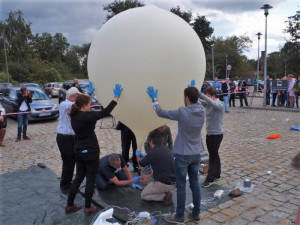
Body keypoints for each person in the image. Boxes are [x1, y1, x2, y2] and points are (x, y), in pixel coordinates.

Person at [146, 84, 205, 224]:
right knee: (195, 184)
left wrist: (154, 99)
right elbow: (201, 102)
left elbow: (161, 112)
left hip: (183, 154)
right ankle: (196, 214)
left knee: (181, 186)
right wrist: (197, 93)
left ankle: (179, 216)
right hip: (197, 152)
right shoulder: (202, 110)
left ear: (186, 98)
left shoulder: (183, 111)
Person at [65, 84, 123, 214]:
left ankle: (69, 204)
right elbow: (106, 112)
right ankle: (87, 207)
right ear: (85, 106)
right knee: (90, 179)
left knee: (79, 177)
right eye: (89, 104)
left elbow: (82, 103)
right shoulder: (87, 116)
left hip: (78, 150)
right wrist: (116, 98)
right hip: (90, 151)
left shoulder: (74, 114)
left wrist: (88, 95)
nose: (90, 106)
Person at [136, 131, 176, 206]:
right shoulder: (167, 149)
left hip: (163, 184)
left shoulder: (152, 153)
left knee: (144, 195)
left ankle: (164, 197)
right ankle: (165, 192)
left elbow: (141, 163)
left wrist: (138, 156)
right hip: (174, 182)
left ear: (151, 141)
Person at [56, 87, 81, 193]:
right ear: (73, 96)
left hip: (70, 137)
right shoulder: (65, 104)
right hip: (65, 137)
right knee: (68, 162)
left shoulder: (70, 105)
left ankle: (68, 182)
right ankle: (65, 185)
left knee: (71, 161)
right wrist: (88, 95)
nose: (79, 98)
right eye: (78, 96)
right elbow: (76, 105)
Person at [198, 87, 224, 187]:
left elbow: (212, 103)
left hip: (217, 135)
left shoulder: (219, 104)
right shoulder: (209, 104)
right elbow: (201, 101)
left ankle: (210, 179)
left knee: (212, 157)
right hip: (210, 134)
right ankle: (217, 175)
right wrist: (195, 95)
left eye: (208, 96)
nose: (206, 98)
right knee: (214, 155)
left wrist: (201, 94)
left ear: (213, 96)